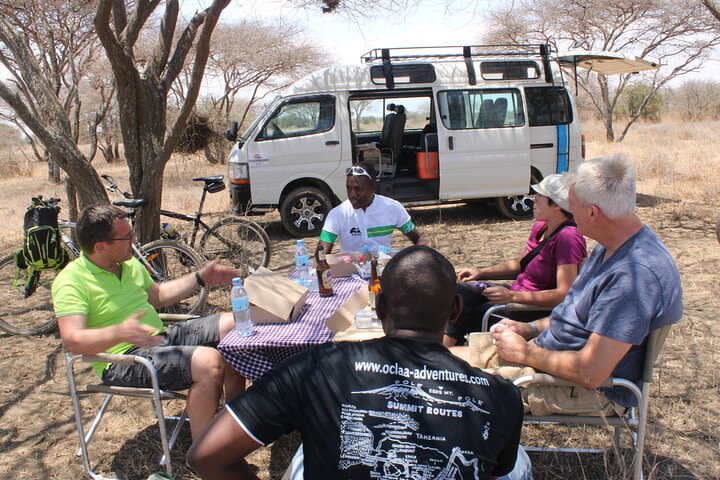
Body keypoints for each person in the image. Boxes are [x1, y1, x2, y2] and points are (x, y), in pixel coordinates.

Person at [187, 246, 525, 480]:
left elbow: (206, 455)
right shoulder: (502, 396)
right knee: (518, 464)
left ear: (378, 309)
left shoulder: (316, 368)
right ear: (455, 311)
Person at [455, 154, 683, 415]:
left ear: (592, 213)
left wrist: (525, 354)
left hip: (580, 388)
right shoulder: (611, 247)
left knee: (446, 382)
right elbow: (574, 311)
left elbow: (591, 372)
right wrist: (528, 328)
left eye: (572, 206)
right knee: (439, 360)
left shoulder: (634, 278)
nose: (569, 214)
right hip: (546, 358)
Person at [52, 205, 246, 439]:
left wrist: (200, 278)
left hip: (159, 339)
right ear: (101, 247)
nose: (134, 240)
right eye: (127, 237)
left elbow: (157, 296)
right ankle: (206, 457)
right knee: (208, 361)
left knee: (233, 327)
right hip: (121, 360)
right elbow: (73, 341)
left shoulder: (127, 262)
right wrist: (121, 333)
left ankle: (236, 424)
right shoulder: (71, 281)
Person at [444, 173, 587, 347]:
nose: (533, 199)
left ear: (556, 204)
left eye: (539, 195)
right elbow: (520, 264)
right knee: (457, 290)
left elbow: (564, 294)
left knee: (477, 311)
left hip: (530, 308)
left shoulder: (568, 238)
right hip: (515, 294)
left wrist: (512, 295)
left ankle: (444, 355)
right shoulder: (541, 226)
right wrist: (480, 272)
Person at [318, 161, 427, 253]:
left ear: (373, 187)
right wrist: (321, 260)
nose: (352, 195)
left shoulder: (393, 208)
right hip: (350, 273)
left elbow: (419, 239)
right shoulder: (337, 214)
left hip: (384, 271)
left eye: (358, 189)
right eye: (348, 188)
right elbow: (321, 252)